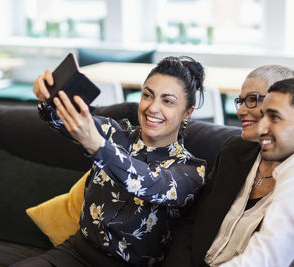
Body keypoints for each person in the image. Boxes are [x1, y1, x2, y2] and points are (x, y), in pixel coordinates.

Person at [11, 56, 207, 267]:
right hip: (75, 253)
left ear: (187, 112)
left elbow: (148, 183)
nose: (153, 108)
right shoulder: (114, 132)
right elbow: (68, 121)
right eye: (148, 95)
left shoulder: (191, 171)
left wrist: (99, 147)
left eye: (167, 101)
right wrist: (49, 97)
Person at [164, 74, 294, 267]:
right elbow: (193, 223)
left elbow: (263, 259)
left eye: (274, 117)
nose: (261, 128)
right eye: (264, 115)